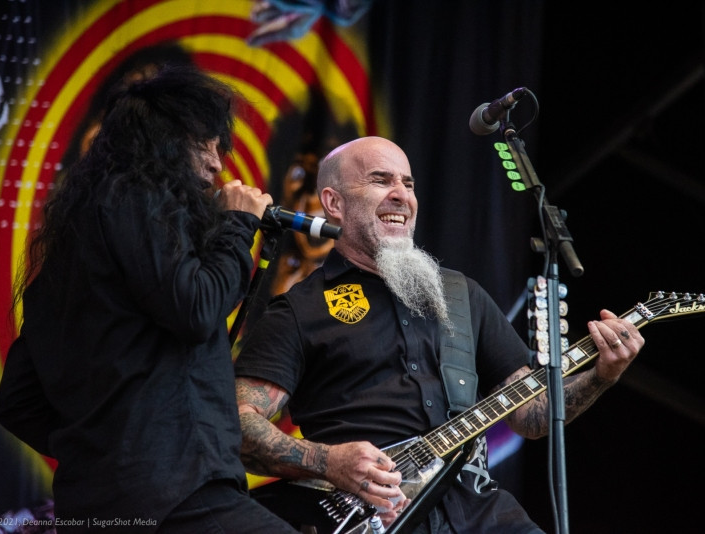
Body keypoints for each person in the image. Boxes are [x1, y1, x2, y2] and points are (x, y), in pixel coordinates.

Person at [233, 136, 645, 533]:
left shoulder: (461, 295)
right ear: (333, 203)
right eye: (381, 180)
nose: (401, 194)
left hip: (481, 509)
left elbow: (531, 416)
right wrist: (329, 461)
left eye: (408, 184)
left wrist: (601, 376)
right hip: (374, 512)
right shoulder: (299, 309)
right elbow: (236, 424)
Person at [0, 65, 296, 533]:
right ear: (166, 138)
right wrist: (237, 225)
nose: (218, 164)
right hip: (176, 492)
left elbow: (17, 400)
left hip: (96, 504)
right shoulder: (136, 197)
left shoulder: (69, 253)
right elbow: (197, 308)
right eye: (207, 144)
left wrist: (103, 447)